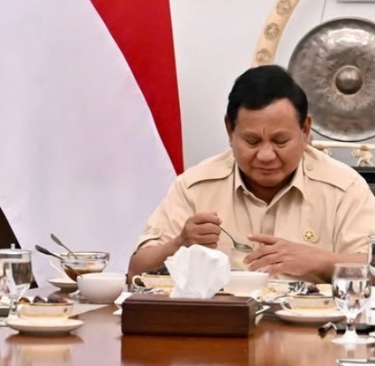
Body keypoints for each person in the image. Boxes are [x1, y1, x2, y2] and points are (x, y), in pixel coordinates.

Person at [128, 65, 375, 284]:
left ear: (305, 129)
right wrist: (179, 244)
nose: (266, 155)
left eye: (280, 141)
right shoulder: (194, 186)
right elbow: (135, 273)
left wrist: (321, 261)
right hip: (220, 330)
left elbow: (372, 270)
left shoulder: (344, 187)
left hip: (315, 333)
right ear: (229, 129)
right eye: (252, 141)